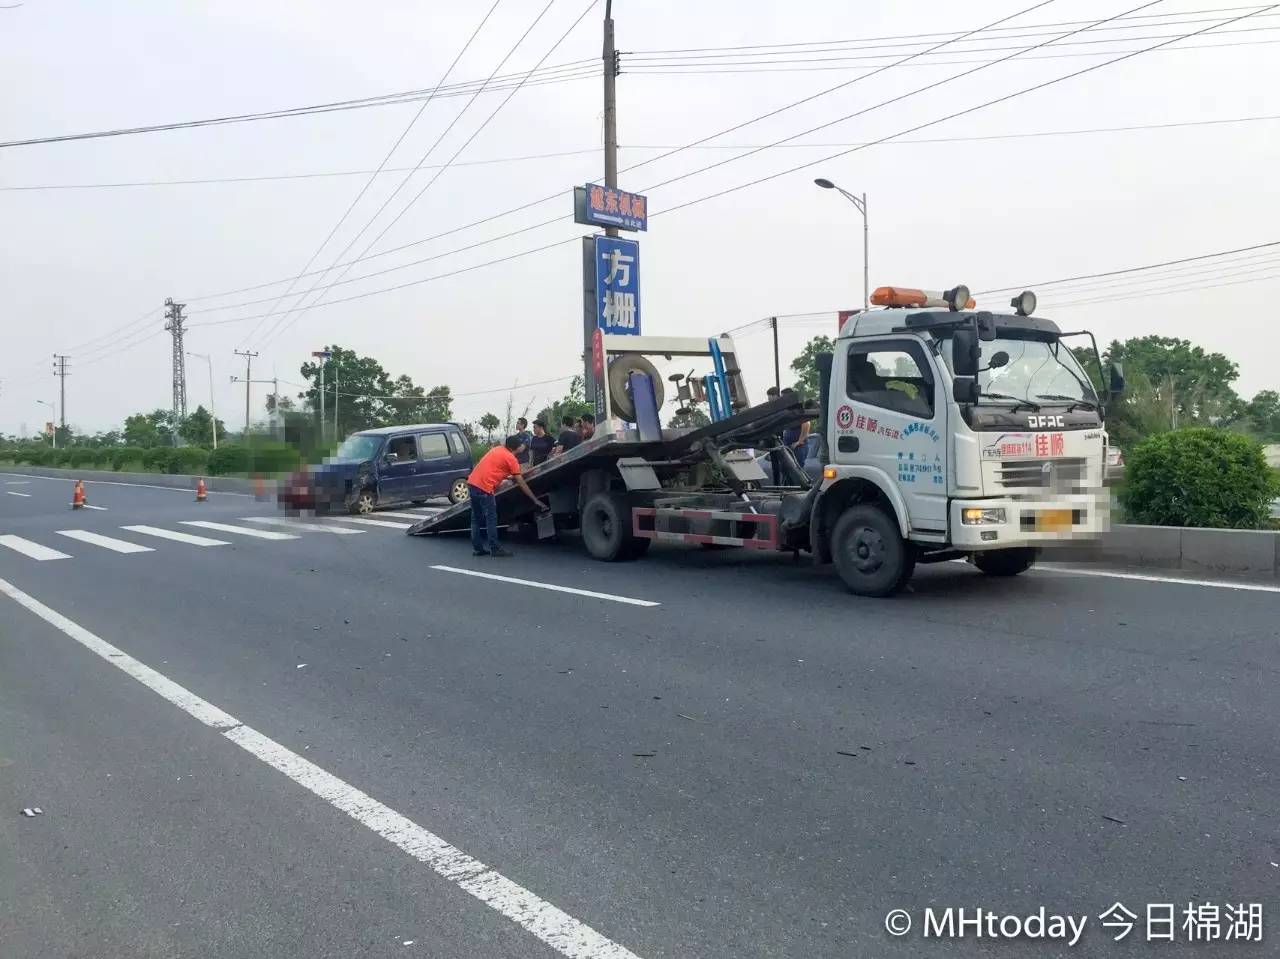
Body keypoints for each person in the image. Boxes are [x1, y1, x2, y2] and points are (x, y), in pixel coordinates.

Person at [467, 435, 544, 558]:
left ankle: (477, 549)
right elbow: (521, 482)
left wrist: (507, 476)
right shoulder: (511, 459)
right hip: (485, 488)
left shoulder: (497, 449)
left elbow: (495, 468)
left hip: (472, 483)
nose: (523, 446)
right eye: (522, 444)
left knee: (475, 519)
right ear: (517, 447)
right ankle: (495, 548)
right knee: (491, 518)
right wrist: (534, 499)